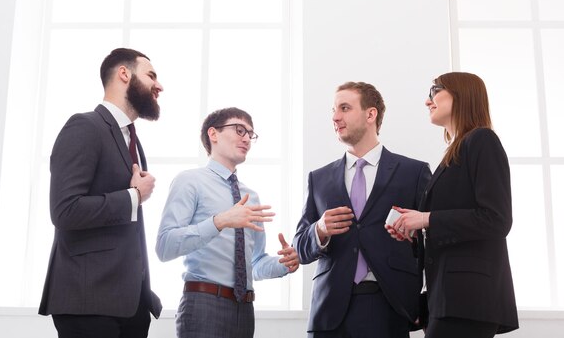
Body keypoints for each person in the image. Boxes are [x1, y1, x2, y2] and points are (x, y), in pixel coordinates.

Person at [39, 48, 164, 338]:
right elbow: (64, 210)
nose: (159, 86)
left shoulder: (131, 138)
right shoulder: (84, 126)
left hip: (130, 305)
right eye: (151, 75)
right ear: (124, 74)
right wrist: (134, 196)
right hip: (89, 303)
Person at [294, 81, 432, 338]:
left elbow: (432, 243)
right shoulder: (318, 179)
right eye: (333, 110)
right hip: (329, 310)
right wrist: (320, 230)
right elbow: (300, 247)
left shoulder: (414, 173)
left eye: (344, 108)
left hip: (390, 307)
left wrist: (426, 302)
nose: (335, 117)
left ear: (371, 114)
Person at [385, 72, 519, 337]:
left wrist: (426, 219)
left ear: (462, 95)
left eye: (435, 90)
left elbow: (497, 219)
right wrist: (415, 230)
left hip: (468, 300)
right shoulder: (456, 151)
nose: (427, 101)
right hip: (447, 300)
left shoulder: (482, 140)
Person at [156, 107, 300, 338]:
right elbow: (165, 247)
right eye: (239, 130)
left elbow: (257, 264)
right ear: (213, 134)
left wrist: (285, 264)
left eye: (250, 134)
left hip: (244, 310)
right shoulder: (190, 181)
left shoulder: (250, 196)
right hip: (203, 305)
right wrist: (220, 221)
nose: (246, 139)